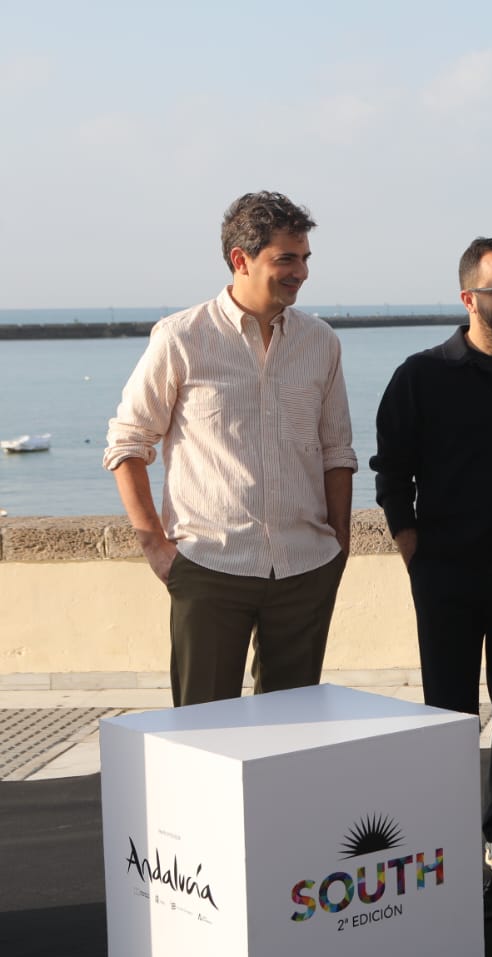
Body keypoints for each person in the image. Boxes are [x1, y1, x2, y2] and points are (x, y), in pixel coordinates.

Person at [104, 191, 356, 706]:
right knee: (202, 729)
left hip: (305, 568)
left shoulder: (321, 341)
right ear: (241, 260)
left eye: (305, 258)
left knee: (292, 731)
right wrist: (156, 546)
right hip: (209, 567)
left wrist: (338, 547)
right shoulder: (181, 337)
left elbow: (337, 451)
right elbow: (128, 442)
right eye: (286, 258)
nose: (301, 272)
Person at [371, 237, 492, 867]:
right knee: (448, 713)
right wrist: (414, 551)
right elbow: (392, 474)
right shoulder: (421, 376)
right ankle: (447, 842)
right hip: (448, 574)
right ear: (469, 299)